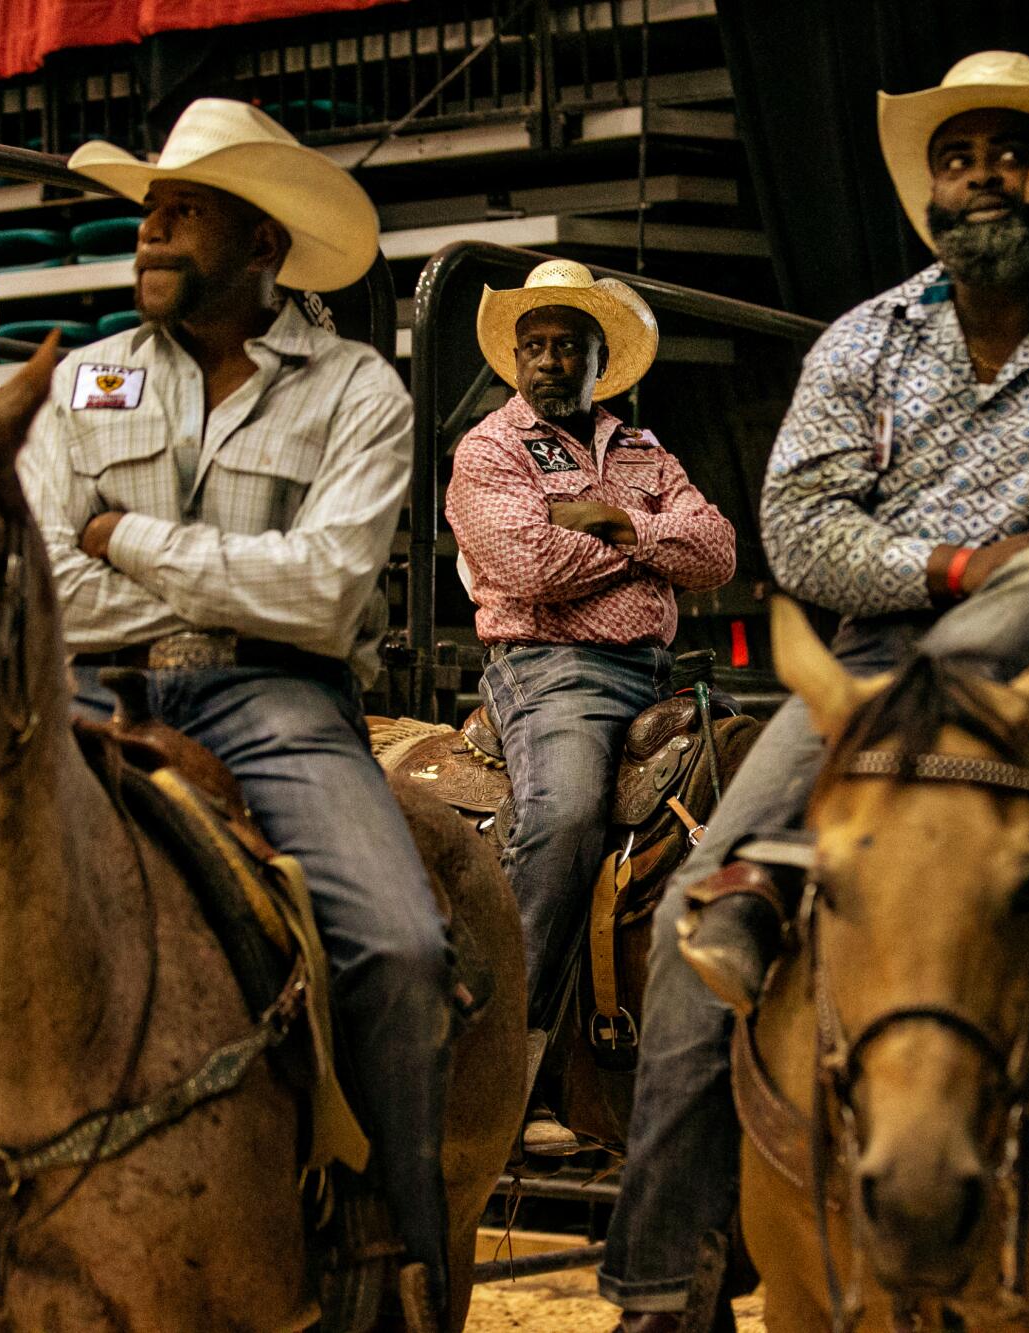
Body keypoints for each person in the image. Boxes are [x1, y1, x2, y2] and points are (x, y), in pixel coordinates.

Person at [599, 51, 1029, 1328]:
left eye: (1013, 151)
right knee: (692, 915)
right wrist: (958, 563)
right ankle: (661, 1277)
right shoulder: (864, 342)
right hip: (876, 676)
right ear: (927, 194)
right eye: (956, 159)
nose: (980, 177)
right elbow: (798, 532)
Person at [18, 98, 455, 1324]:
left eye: (182, 212)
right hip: (88, 686)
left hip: (276, 699)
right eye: (149, 211)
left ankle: (394, 1246)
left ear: (262, 244)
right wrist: (189, 562)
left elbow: (320, 597)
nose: (149, 234)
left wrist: (125, 537)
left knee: (402, 947)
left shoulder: (356, 389)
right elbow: (46, 569)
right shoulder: (94, 373)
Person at [446, 260, 736, 1157]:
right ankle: (507, 1068)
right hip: (548, 668)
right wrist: (653, 547)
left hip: (660, 672)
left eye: (567, 345)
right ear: (513, 358)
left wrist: (611, 523)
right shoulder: (489, 448)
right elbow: (530, 564)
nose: (548, 359)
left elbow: (718, 550)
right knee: (565, 815)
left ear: (600, 361)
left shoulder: (646, 451)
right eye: (534, 344)